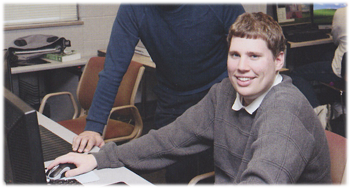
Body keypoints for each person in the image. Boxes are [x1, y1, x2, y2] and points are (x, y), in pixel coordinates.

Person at [48, 12, 332, 188]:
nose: (242, 67)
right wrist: (99, 159)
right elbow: (169, 141)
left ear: (279, 59)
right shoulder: (224, 94)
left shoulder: (285, 110)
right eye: (235, 55)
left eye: (254, 56)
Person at [73, 0, 245, 187]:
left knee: (219, 176)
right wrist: (94, 127)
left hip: (219, 96)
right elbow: (113, 69)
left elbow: (249, 44)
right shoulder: (133, 6)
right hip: (172, 99)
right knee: (178, 177)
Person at [290, 0, 349, 109]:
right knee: (327, 55)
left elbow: (336, 40)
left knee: (296, 73)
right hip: (346, 65)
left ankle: (318, 112)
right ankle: (336, 102)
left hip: (344, 70)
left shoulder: (341, 12)